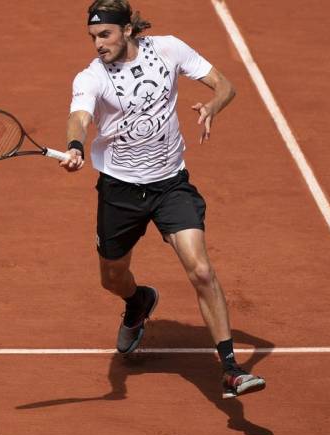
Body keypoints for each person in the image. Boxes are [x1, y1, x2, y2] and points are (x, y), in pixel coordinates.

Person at [61, 0, 265, 399]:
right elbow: (80, 116)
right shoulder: (92, 77)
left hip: (170, 184)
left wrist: (213, 106)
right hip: (120, 190)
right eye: (93, 37)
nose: (98, 45)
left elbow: (225, 85)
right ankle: (139, 301)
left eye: (105, 35)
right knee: (112, 278)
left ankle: (230, 368)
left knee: (202, 270)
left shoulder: (169, 48)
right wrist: (74, 144)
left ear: (128, 31)